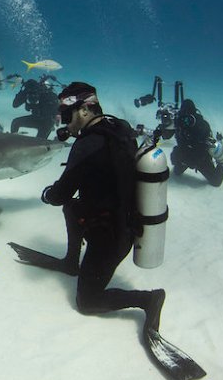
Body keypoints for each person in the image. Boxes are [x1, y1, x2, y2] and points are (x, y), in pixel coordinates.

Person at [10, 82, 165, 337]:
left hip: (112, 237)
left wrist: (48, 194)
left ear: (83, 111)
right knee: (74, 207)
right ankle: (72, 263)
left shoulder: (87, 145)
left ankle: (149, 299)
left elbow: (60, 195)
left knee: (87, 302)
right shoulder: (119, 128)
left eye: (66, 115)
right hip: (126, 220)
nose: (63, 121)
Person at [166, 99, 223, 186]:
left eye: (188, 118)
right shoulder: (178, 123)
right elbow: (169, 137)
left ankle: (221, 160)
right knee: (177, 172)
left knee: (216, 182)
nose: (185, 121)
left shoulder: (202, 125)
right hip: (186, 153)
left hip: (200, 157)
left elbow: (203, 148)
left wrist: (193, 161)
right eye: (183, 116)